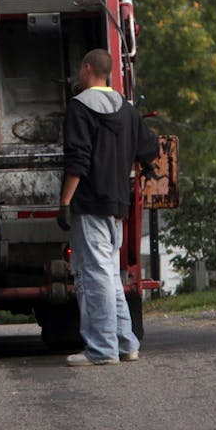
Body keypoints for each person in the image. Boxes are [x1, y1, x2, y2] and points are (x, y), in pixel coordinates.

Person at [57, 48, 159, 366]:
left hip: (89, 203)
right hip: (118, 203)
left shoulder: (79, 107)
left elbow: (78, 160)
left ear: (88, 69)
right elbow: (151, 147)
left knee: (96, 274)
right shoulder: (127, 110)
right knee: (110, 275)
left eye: (80, 69)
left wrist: (65, 201)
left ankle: (102, 349)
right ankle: (126, 343)